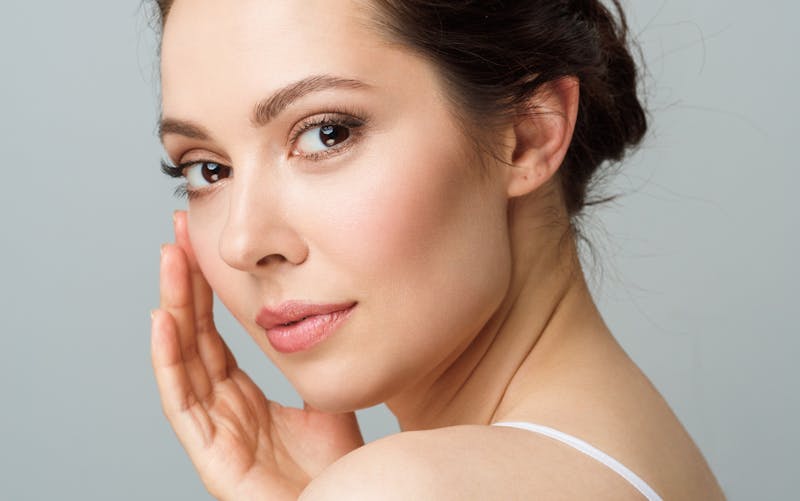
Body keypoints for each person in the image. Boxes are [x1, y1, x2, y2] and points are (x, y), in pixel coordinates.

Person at [149, 0, 726, 499]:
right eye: (208, 169)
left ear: (528, 134)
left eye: (327, 133)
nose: (242, 243)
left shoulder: (403, 489)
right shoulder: (645, 455)